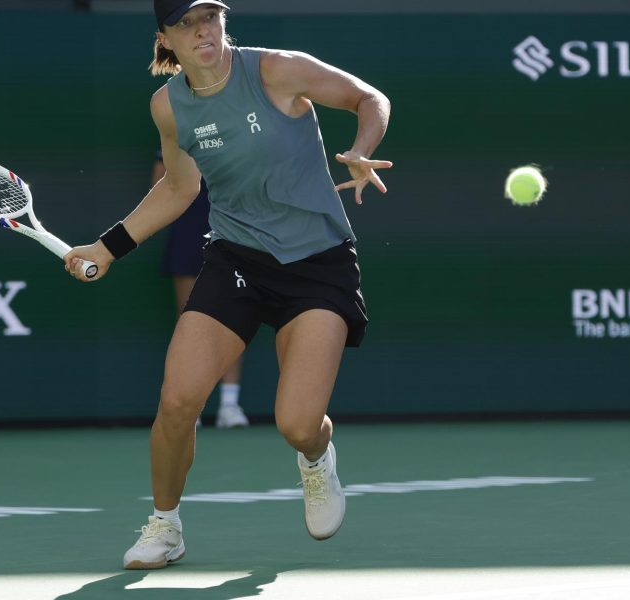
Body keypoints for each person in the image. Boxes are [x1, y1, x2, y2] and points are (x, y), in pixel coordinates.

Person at [65, 0, 391, 570]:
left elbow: (370, 98)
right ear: (165, 39)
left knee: (296, 423)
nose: (202, 32)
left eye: (209, 18)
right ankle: (165, 526)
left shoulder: (276, 70)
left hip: (318, 263)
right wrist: (109, 246)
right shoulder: (168, 106)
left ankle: (317, 458)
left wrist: (362, 149)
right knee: (176, 400)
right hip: (238, 258)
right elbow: (177, 188)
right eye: (186, 25)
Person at [154, 152, 249, 429]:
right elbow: (162, 187)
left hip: (234, 228)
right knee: (189, 321)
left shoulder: (239, 129)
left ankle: (229, 405)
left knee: (235, 317)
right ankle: (189, 406)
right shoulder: (177, 132)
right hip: (188, 228)